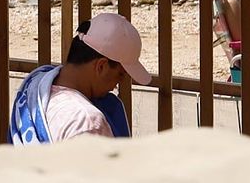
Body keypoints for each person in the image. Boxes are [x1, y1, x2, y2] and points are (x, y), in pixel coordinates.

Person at [9, 14, 150, 143]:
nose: (116, 86)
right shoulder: (88, 123)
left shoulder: (36, 83)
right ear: (101, 66)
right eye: (119, 75)